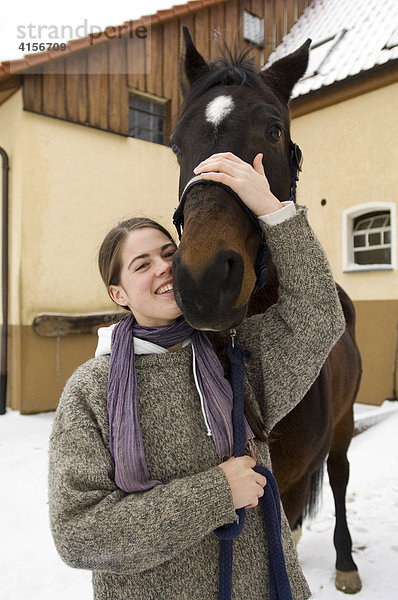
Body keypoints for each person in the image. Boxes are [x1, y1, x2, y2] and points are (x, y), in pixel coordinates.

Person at [48, 152, 346, 600]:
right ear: (118, 293)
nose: (164, 267)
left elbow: (320, 315)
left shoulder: (236, 357)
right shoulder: (91, 390)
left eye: (170, 253)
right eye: (141, 264)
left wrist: (272, 210)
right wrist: (216, 494)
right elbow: (79, 533)